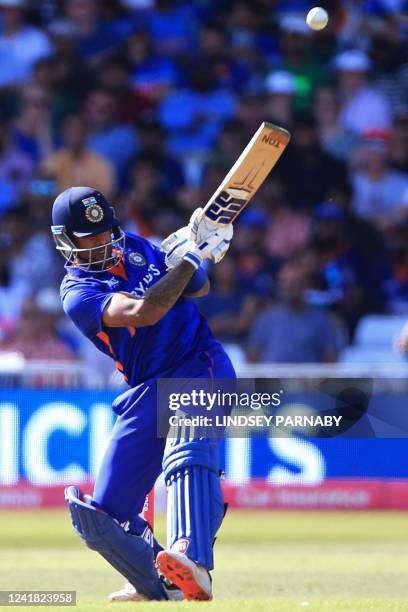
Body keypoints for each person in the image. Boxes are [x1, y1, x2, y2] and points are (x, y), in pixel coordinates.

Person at [51, 186, 235, 602]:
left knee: (189, 446)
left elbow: (198, 289)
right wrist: (189, 259)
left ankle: (193, 558)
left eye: (106, 232)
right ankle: (157, 583)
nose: (103, 243)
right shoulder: (77, 294)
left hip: (199, 364)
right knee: (100, 517)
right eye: (89, 239)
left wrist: (192, 255)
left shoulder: (134, 246)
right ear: (67, 244)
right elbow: (143, 312)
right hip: (148, 388)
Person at [247, 260, 339, 363]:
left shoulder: (322, 321)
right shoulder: (265, 319)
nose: (289, 287)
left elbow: (331, 360)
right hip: (271, 378)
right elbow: (253, 358)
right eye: (284, 283)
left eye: (294, 283)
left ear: (305, 285)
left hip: (309, 378)